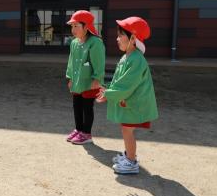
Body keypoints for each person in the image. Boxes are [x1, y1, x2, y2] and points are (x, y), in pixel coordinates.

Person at [96, 17, 158, 174]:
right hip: (130, 101)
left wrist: (109, 94)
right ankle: (129, 155)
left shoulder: (136, 59)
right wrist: (108, 90)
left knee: (127, 130)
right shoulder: (128, 57)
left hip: (134, 102)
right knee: (126, 128)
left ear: (133, 38)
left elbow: (126, 85)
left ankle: (131, 161)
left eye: (120, 35)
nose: (117, 39)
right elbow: (119, 81)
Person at [65, 10, 105, 145]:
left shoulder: (95, 42)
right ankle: (78, 129)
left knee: (87, 107)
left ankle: (86, 134)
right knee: (76, 105)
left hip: (90, 82)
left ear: (86, 27)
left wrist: (97, 79)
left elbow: (99, 63)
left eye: (76, 26)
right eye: (72, 26)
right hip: (77, 81)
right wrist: (70, 77)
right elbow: (71, 62)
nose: (73, 29)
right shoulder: (74, 43)